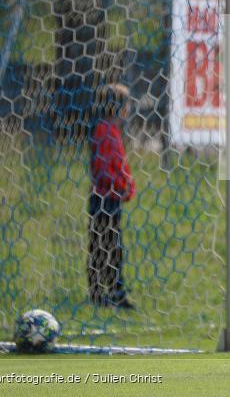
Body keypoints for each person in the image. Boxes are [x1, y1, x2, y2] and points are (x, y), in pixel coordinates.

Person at [88, 83, 135, 310]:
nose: (129, 109)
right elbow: (103, 168)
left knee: (112, 246)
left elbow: (119, 165)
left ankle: (113, 290)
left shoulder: (112, 130)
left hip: (112, 198)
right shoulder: (104, 131)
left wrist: (128, 185)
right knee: (103, 245)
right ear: (119, 108)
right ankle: (102, 292)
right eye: (126, 104)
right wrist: (120, 185)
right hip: (103, 199)